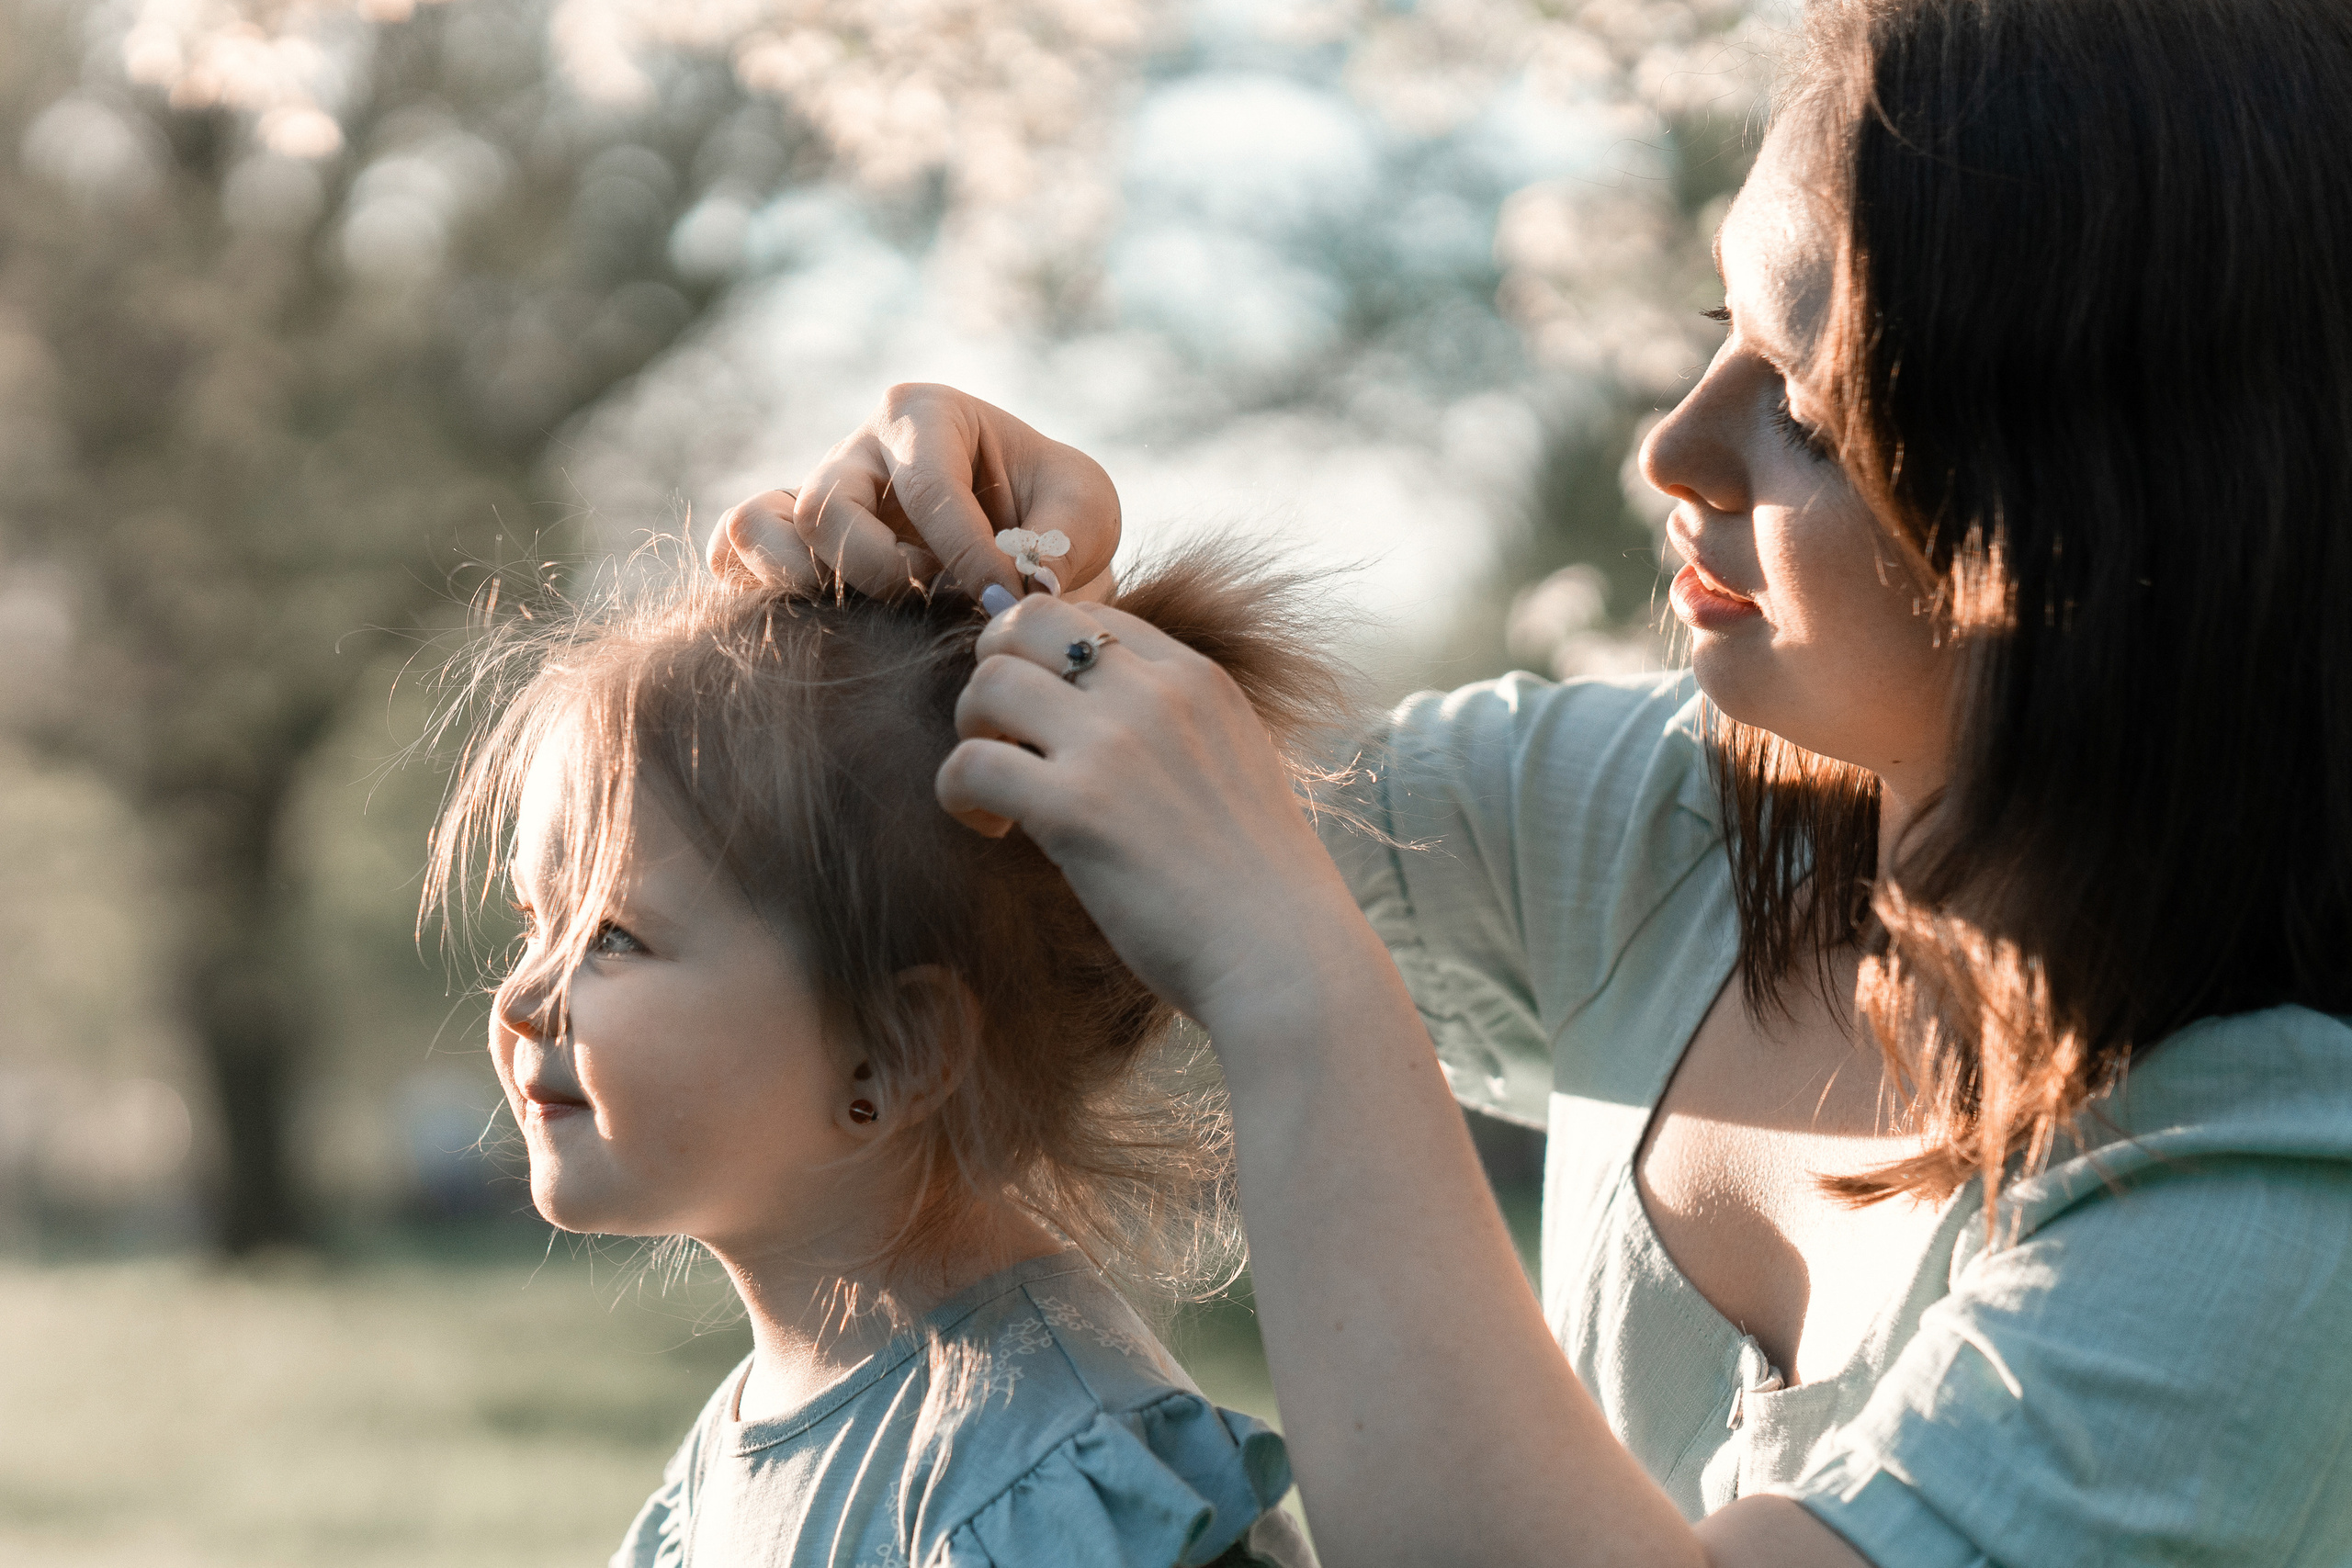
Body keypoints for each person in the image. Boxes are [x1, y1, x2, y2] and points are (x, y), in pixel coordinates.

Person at [707, 0, 2352, 1562]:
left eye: (1822, 411)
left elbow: (1250, 888)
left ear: (2121, 519)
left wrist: (1297, 987)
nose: (1678, 447)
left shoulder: (2276, 1213)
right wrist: (979, 585)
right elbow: (1055, 839)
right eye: (1725, 329)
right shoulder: (1665, 824)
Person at [424, 547, 1328, 1567]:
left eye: (613, 937)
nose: (519, 999)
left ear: (889, 1052)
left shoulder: (1038, 1491)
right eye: (533, 924)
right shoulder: (741, 1446)